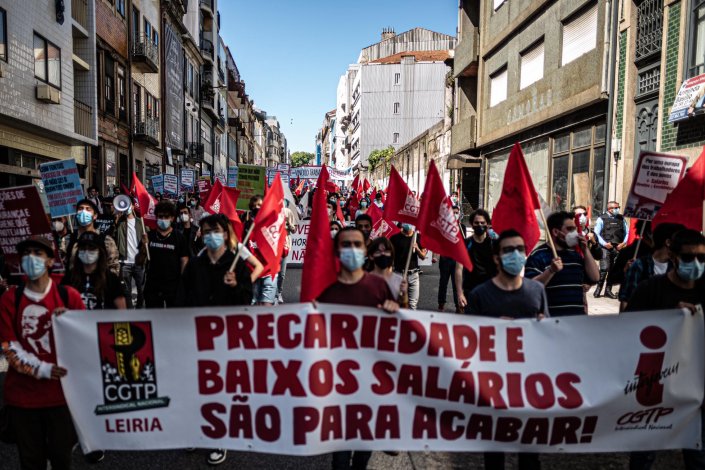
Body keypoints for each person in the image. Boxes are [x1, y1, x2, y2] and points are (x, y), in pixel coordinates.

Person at [178, 215, 263, 466]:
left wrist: (236, 285)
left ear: (225, 234)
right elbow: (183, 296)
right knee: (196, 386)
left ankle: (219, 437)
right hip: (198, 335)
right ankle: (196, 430)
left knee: (220, 388)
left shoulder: (236, 265)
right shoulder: (195, 264)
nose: (210, 236)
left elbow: (246, 301)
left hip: (226, 338)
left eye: (215, 231)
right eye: (206, 232)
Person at [0, 235, 86, 470]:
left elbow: (85, 343)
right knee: (31, 462)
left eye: (38, 253)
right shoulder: (10, 299)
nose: (31, 258)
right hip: (23, 399)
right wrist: (44, 369)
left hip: (62, 397)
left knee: (61, 459)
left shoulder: (69, 296)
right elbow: (10, 348)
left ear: (50, 261)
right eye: (26, 254)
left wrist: (70, 323)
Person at [317, 227, 399, 470]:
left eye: (357, 245)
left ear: (365, 251)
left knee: (363, 448)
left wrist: (394, 312)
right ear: (336, 251)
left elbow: (393, 335)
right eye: (346, 245)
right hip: (337, 383)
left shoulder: (378, 286)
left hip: (370, 381)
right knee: (341, 454)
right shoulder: (326, 290)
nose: (352, 250)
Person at [467, 229, 548, 470]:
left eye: (520, 250)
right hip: (493, 383)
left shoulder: (536, 291)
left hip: (528, 383)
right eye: (509, 250)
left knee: (530, 452)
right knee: (494, 451)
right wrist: (491, 329)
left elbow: (549, 337)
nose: (516, 255)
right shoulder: (480, 295)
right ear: (496, 258)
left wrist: (542, 328)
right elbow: (465, 341)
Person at [625, 229, 705, 470]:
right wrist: (669, 318)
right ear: (672, 256)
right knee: (644, 452)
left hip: (698, 385)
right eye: (688, 257)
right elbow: (627, 331)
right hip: (656, 384)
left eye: (702, 258)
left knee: (698, 454)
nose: (696, 263)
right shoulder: (650, 289)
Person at [525, 211, 599, 316]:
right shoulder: (538, 256)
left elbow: (595, 278)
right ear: (556, 232)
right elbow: (530, 288)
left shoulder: (575, 255)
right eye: (570, 229)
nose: (575, 233)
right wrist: (551, 271)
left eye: (575, 229)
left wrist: (585, 250)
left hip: (577, 318)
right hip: (551, 319)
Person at [618, 223, 684, 311]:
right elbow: (626, 300)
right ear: (668, 242)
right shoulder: (640, 265)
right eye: (678, 241)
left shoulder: (677, 267)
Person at [64, 232, 127, 311]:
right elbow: (60, 304)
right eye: (83, 248)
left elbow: (122, 310)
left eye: (91, 248)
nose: (87, 251)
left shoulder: (111, 279)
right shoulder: (69, 278)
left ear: (99, 251)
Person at [144, 201, 189, 308]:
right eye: (160, 216)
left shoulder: (179, 237)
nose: (163, 219)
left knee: (173, 316)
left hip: (173, 286)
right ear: (156, 217)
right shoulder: (149, 236)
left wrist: (182, 283)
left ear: (172, 218)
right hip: (153, 286)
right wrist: (143, 246)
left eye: (166, 216)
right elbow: (139, 261)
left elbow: (184, 260)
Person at [456, 209, 498, 313]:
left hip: (491, 293)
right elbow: (458, 269)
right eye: (477, 223)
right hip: (470, 293)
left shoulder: (494, 245)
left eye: (482, 223)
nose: (480, 225)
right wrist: (460, 293)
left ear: (487, 224)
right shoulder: (465, 244)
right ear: (471, 224)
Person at [66, 199, 120, 276]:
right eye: (80, 209)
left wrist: (106, 280)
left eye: (88, 209)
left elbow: (114, 266)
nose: (83, 212)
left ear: (95, 216)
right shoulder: (68, 239)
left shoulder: (106, 240)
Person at [245, 195, 278, 306]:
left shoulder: (273, 227)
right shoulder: (246, 227)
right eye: (254, 206)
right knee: (253, 307)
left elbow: (283, 252)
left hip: (269, 272)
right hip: (253, 272)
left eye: (259, 205)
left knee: (266, 308)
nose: (257, 208)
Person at [114, 203, 148, 309]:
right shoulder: (120, 222)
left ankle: (139, 308)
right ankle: (130, 311)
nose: (127, 208)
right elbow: (113, 235)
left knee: (141, 289)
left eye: (129, 205)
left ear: (133, 206)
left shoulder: (140, 222)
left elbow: (148, 237)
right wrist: (116, 221)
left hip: (139, 261)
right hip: (125, 262)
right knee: (126, 291)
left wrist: (146, 241)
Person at [593, 201, 629, 298]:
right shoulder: (601, 219)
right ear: (610, 209)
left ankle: (608, 291)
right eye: (616, 207)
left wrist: (623, 243)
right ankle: (598, 289)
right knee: (604, 269)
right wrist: (604, 244)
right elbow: (596, 233)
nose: (618, 209)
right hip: (605, 247)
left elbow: (627, 232)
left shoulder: (621, 219)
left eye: (618, 207)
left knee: (613, 270)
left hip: (618, 248)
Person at [390, 223, 427, 310]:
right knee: (398, 304)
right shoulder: (394, 238)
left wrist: (417, 249)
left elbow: (423, 257)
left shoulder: (418, 237)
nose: (407, 224)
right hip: (399, 275)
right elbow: (390, 257)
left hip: (413, 275)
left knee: (412, 305)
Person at [438, 205, 465, 312]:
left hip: (457, 260)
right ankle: (441, 303)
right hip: (445, 258)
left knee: (456, 283)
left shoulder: (462, 227)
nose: (455, 214)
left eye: (457, 212)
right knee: (443, 283)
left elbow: (463, 243)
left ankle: (458, 305)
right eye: (453, 212)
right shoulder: (444, 226)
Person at [276, 200, 297, 304]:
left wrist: (288, 225)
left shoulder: (288, 212)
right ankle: (272, 294)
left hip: (284, 246)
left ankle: (279, 293)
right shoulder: (271, 211)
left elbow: (294, 230)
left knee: (282, 274)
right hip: (273, 246)